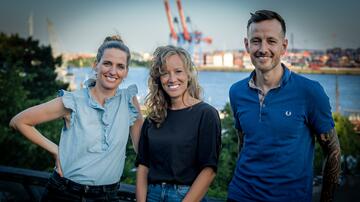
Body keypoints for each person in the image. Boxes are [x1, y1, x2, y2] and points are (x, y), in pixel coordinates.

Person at [9, 35, 143, 201]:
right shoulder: (73, 101)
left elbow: (143, 151)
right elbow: (19, 121)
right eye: (107, 63)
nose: (113, 71)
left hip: (107, 196)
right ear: (96, 65)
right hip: (65, 193)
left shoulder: (129, 101)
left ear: (126, 71)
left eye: (120, 66)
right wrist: (56, 151)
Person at [227, 10, 341, 202]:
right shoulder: (236, 92)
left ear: (284, 46)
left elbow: (333, 151)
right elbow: (243, 143)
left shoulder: (309, 92)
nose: (263, 48)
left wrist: (326, 199)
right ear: (246, 45)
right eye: (256, 40)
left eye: (271, 41)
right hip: (240, 196)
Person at [135, 45, 221, 202]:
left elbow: (208, 170)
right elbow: (143, 166)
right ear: (159, 80)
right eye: (165, 73)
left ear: (189, 74)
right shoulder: (153, 118)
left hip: (185, 196)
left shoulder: (206, 114)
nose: (172, 79)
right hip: (151, 195)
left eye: (178, 71)